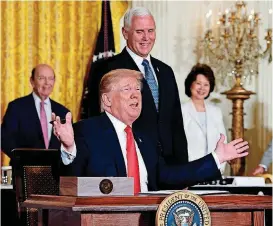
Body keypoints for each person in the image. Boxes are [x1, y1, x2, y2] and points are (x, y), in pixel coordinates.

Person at [53, 69, 249, 192]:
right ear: (106, 100)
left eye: (138, 90)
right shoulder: (87, 131)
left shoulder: (145, 139)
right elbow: (71, 184)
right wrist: (69, 148)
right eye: (126, 89)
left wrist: (216, 157)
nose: (135, 95)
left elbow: (169, 177)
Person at [85, 7, 188, 165]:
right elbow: (96, 120)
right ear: (125, 33)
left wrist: (183, 170)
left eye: (150, 31)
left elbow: (176, 124)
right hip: (130, 162)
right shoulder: (109, 69)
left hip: (168, 167)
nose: (146, 37)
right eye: (139, 31)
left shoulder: (166, 71)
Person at [1, 64, 70, 159]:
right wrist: (23, 159)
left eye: (51, 78)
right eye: (41, 78)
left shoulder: (63, 112)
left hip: (55, 170)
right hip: (24, 169)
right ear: (32, 81)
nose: (47, 83)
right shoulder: (16, 107)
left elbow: (68, 145)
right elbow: (5, 139)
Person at [181, 63, 227, 173]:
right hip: (189, 169)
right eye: (198, 83)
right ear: (190, 85)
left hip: (214, 169)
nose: (202, 88)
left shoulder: (216, 111)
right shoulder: (181, 110)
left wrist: (221, 166)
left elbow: (223, 141)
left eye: (206, 84)